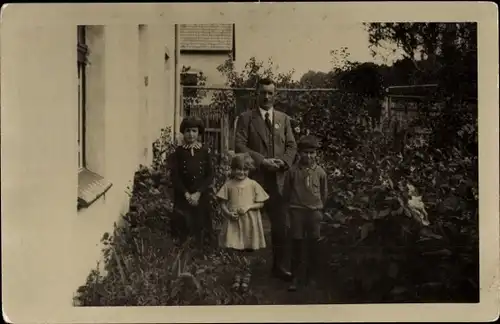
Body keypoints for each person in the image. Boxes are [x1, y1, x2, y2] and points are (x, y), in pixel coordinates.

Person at [234, 78, 297, 282]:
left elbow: (291, 146)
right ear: (256, 94)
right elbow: (239, 146)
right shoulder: (246, 118)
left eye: (270, 93)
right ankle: (244, 272)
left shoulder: (284, 119)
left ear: (275, 94)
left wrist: (283, 163)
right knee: (248, 225)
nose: (267, 96)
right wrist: (262, 162)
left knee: (281, 226)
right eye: (263, 92)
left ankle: (279, 267)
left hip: (278, 181)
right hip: (254, 179)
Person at [216, 153, 269, 292]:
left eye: (245, 170)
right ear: (232, 169)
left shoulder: (253, 184)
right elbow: (222, 204)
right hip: (234, 222)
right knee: (235, 250)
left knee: (247, 249)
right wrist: (228, 213)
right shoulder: (228, 185)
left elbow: (261, 204)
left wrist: (248, 207)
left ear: (249, 170)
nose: (241, 172)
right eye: (238, 169)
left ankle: (246, 276)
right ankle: (236, 276)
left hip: (249, 221)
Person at [282, 135, 328, 291]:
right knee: (296, 245)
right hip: (297, 213)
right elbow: (286, 194)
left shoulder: (320, 172)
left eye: (312, 153)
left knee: (314, 245)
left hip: (314, 213)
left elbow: (324, 193)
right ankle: (295, 278)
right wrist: (290, 212)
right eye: (305, 153)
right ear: (299, 153)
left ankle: (312, 277)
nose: (308, 156)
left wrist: (319, 209)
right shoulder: (292, 171)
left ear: (316, 154)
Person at [169, 116, 214, 247]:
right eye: (188, 131)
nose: (191, 134)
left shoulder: (204, 151)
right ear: (183, 132)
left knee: (201, 220)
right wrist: (186, 193)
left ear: (199, 133)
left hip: (200, 194)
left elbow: (210, 174)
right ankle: (183, 248)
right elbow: (175, 176)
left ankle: (202, 248)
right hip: (184, 195)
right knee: (183, 221)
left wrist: (199, 193)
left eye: (194, 131)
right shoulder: (178, 152)